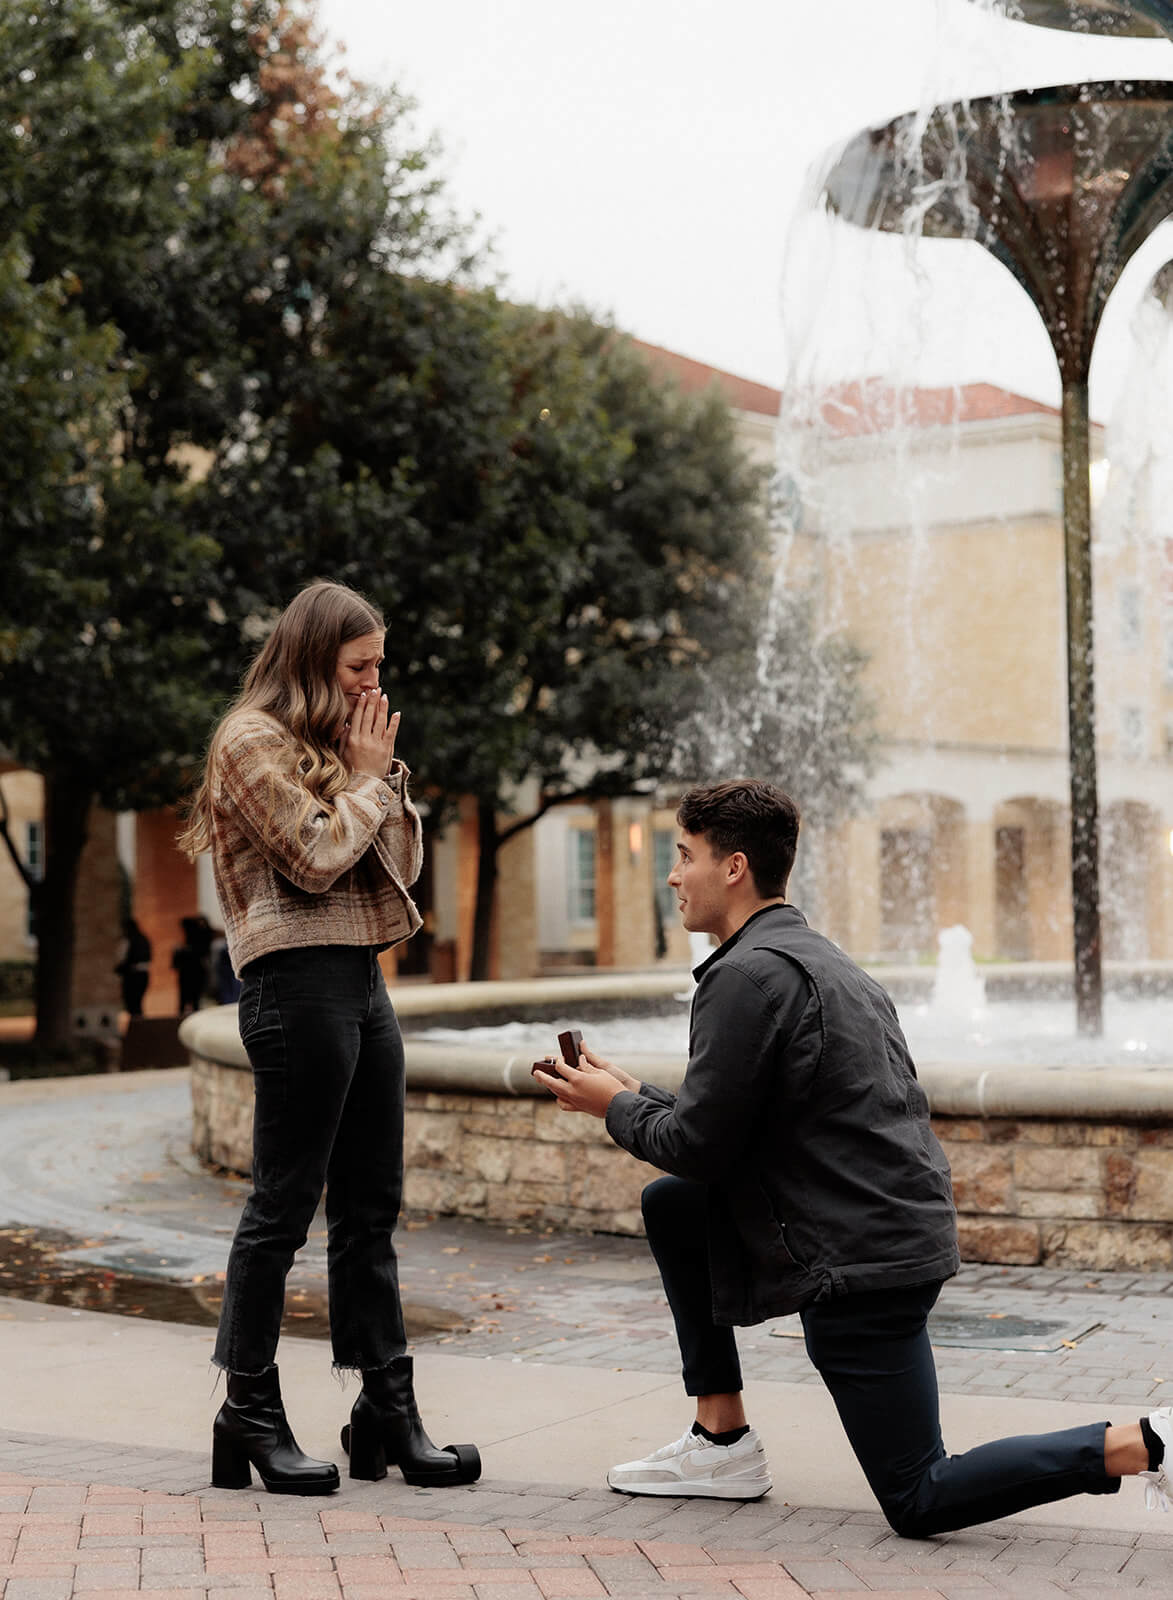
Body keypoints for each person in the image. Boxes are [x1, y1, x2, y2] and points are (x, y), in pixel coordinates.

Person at [534, 779, 1172, 1535]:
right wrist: (633, 1089)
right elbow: (737, 1125)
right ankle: (720, 1438)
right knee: (673, 1204)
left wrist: (610, 1107)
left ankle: (1149, 1441)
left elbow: (698, 1148)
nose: (673, 876)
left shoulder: (741, 976)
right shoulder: (816, 958)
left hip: (857, 1263)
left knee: (919, 1495)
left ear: (733, 868)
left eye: (684, 856)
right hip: (891, 1235)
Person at [178, 580, 479, 1498]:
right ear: (314, 659)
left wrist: (379, 777)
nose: (372, 682)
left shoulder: (341, 746)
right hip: (292, 981)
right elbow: (314, 857)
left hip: (361, 980)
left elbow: (401, 869)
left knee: (370, 1210)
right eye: (360, 666)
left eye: (377, 666)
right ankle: (249, 1409)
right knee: (282, 1207)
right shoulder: (250, 743)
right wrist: (360, 783)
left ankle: (385, 1408)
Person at [114, 916, 152, 1017]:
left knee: (133, 1004)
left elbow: (123, 958)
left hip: (133, 976)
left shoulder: (130, 940)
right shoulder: (143, 938)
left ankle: (137, 1027)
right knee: (136, 1004)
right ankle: (138, 1026)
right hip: (142, 975)